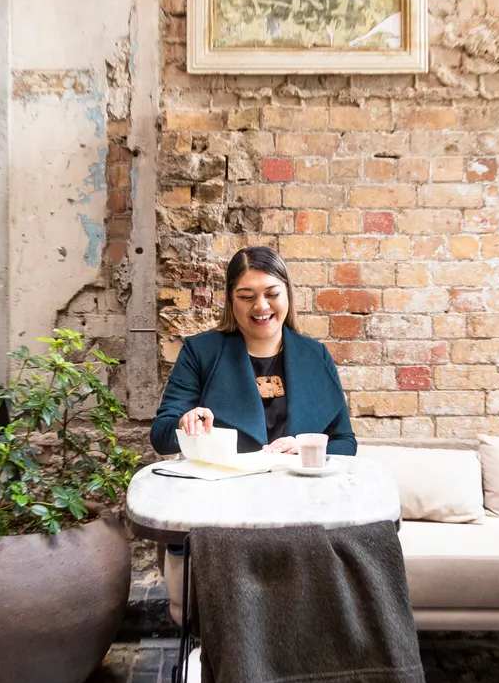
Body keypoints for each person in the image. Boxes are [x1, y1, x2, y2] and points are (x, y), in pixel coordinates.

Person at [149, 245, 357, 622]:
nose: (261, 306)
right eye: (247, 296)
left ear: (287, 295)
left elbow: (345, 443)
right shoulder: (201, 352)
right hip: (226, 513)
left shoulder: (316, 355)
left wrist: (305, 444)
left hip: (301, 509)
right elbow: (160, 434)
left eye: (272, 294)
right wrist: (185, 420)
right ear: (231, 300)